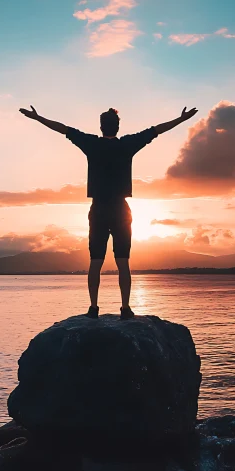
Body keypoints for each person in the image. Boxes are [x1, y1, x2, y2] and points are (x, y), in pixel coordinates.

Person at [19, 105, 198, 319]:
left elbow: (63, 129)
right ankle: (125, 308)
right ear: (118, 126)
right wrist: (181, 119)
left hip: (99, 208)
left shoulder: (91, 143)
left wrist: (38, 118)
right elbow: (157, 130)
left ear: (101, 126)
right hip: (121, 210)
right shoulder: (127, 144)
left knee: (96, 261)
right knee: (123, 261)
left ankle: (93, 308)